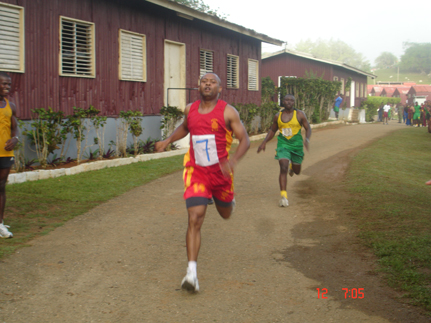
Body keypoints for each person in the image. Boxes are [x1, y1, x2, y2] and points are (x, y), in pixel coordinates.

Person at [155, 73, 250, 292]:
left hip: (221, 174)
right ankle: (191, 274)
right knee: (194, 217)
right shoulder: (191, 109)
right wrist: (168, 140)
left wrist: (233, 161)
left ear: (220, 89)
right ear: (198, 86)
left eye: (212, 82)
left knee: (225, 213)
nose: (207, 84)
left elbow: (244, 138)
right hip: (196, 172)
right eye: (204, 81)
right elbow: (186, 127)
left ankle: (229, 203)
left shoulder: (228, 111)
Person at [256, 94, 311, 207]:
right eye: (286, 100)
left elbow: (308, 128)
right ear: (283, 102)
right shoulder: (278, 116)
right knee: (283, 167)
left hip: (296, 146)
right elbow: (272, 130)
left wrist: (307, 140)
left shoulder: (300, 114)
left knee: (296, 171)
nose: (289, 102)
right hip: (283, 144)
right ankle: (283, 197)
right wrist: (264, 142)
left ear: (294, 102)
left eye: (291, 100)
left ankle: (292, 167)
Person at [0, 72, 19, 238]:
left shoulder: (10, 106)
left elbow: (15, 127)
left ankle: (0, 224)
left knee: (1, 187)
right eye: (3, 84)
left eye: (8, 85)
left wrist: (15, 138)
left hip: (5, 153)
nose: (6, 87)